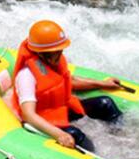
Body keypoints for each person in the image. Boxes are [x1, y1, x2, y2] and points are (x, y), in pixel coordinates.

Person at [12, 20, 123, 151]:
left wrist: (103, 83)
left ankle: (122, 138)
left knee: (106, 103)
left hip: (60, 108)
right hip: (42, 118)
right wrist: (59, 134)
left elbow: (69, 81)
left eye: (60, 50)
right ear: (42, 53)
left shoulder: (55, 61)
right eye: (57, 51)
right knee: (74, 134)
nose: (61, 53)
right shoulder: (26, 75)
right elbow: (28, 115)